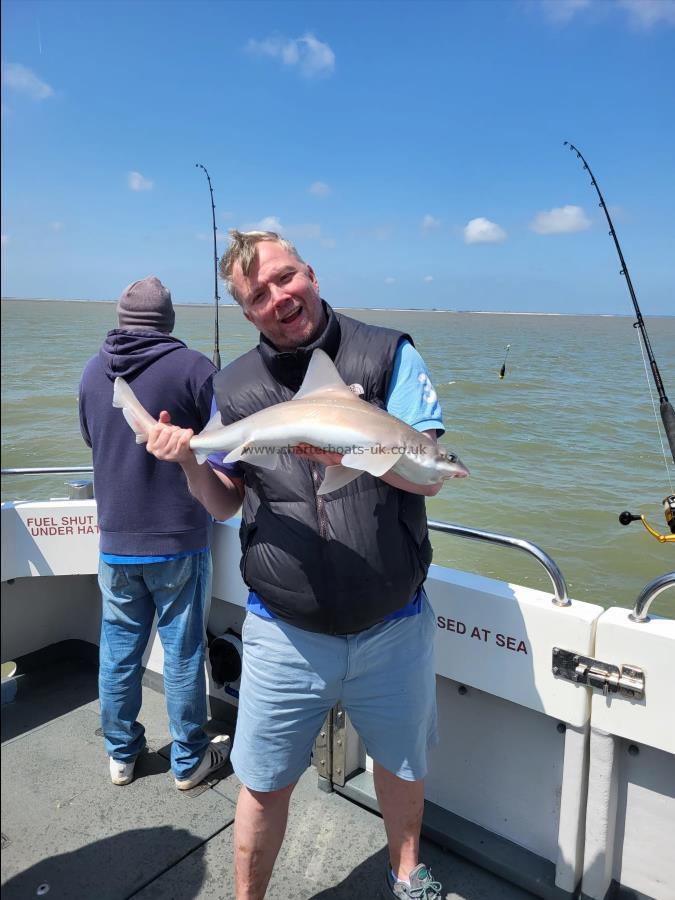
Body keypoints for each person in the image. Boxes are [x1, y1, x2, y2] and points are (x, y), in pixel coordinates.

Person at [145, 234, 447, 899]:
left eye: (286, 278)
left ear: (309, 273)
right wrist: (190, 459)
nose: (280, 297)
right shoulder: (235, 387)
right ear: (248, 313)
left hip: (392, 620)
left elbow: (430, 482)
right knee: (264, 781)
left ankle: (406, 875)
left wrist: (356, 451)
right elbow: (226, 504)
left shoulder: (387, 354)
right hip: (283, 629)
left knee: (401, 766)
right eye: (259, 295)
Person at [78, 275, 231, 790]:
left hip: (115, 543)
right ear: (168, 321)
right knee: (183, 652)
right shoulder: (194, 368)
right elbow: (224, 445)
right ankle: (190, 761)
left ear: (122, 318)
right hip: (178, 542)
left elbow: (90, 437)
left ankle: (121, 754)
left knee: (119, 651)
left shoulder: (90, 372)